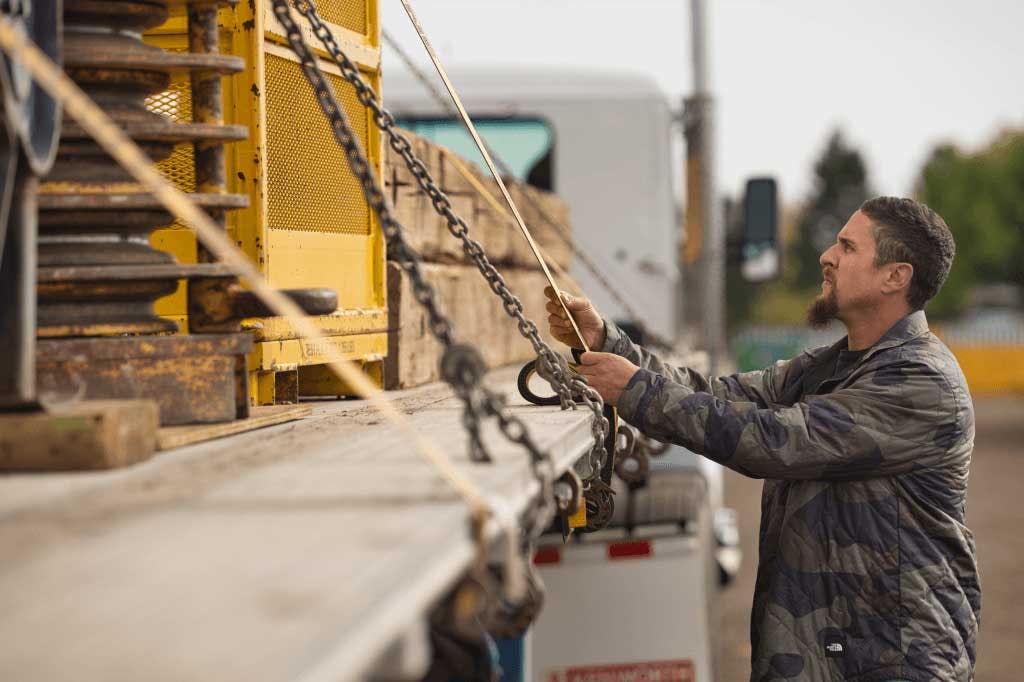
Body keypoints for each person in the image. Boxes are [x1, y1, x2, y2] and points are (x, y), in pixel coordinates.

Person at [546, 197, 980, 682]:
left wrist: (633, 389)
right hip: (830, 657)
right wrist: (607, 342)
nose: (827, 256)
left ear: (894, 277)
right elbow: (716, 395)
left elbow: (770, 439)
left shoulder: (922, 382)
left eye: (847, 246)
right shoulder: (831, 366)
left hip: (893, 662)